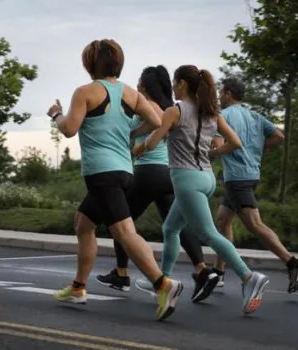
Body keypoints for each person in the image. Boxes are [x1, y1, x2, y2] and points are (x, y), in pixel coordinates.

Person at [46, 39, 183, 321]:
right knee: (83, 224)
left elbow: (70, 129)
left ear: (89, 63)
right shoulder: (131, 94)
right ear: (117, 63)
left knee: (124, 232)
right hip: (124, 171)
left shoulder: (85, 92)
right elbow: (157, 122)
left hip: (102, 173)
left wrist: (57, 114)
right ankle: (78, 287)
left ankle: (163, 284)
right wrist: (128, 135)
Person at [132, 65, 269, 315]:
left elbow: (153, 140)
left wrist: (137, 150)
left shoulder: (175, 111)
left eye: (175, 82)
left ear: (182, 84)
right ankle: (163, 281)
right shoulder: (211, 113)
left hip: (186, 179)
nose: (172, 86)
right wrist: (212, 152)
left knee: (208, 233)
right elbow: (235, 143)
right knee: (170, 228)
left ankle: (250, 277)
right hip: (206, 178)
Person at [95, 65, 218, 303]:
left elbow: (151, 123)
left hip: (148, 172)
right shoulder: (169, 107)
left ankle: (121, 275)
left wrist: (134, 134)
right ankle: (202, 270)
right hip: (168, 174)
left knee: (120, 221)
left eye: (141, 82)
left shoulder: (149, 106)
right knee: (176, 227)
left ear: (147, 86)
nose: (138, 85)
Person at [212, 77, 298, 293]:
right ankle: (219, 272)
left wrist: (208, 154)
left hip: (237, 177)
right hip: (251, 174)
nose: (219, 97)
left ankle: (292, 262)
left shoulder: (224, 116)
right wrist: (258, 148)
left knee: (254, 224)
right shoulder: (255, 116)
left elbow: (218, 145)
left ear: (228, 94)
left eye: (221, 93)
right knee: (222, 220)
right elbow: (279, 135)